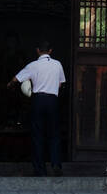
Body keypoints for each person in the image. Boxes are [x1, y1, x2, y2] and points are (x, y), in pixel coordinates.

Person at [10, 42, 66, 176]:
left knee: (37, 135)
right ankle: (56, 164)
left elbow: (16, 79)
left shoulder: (32, 65)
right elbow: (60, 84)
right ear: (50, 50)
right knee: (54, 134)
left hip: (38, 101)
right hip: (52, 100)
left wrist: (9, 84)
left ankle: (40, 170)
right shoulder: (57, 64)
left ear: (37, 50)